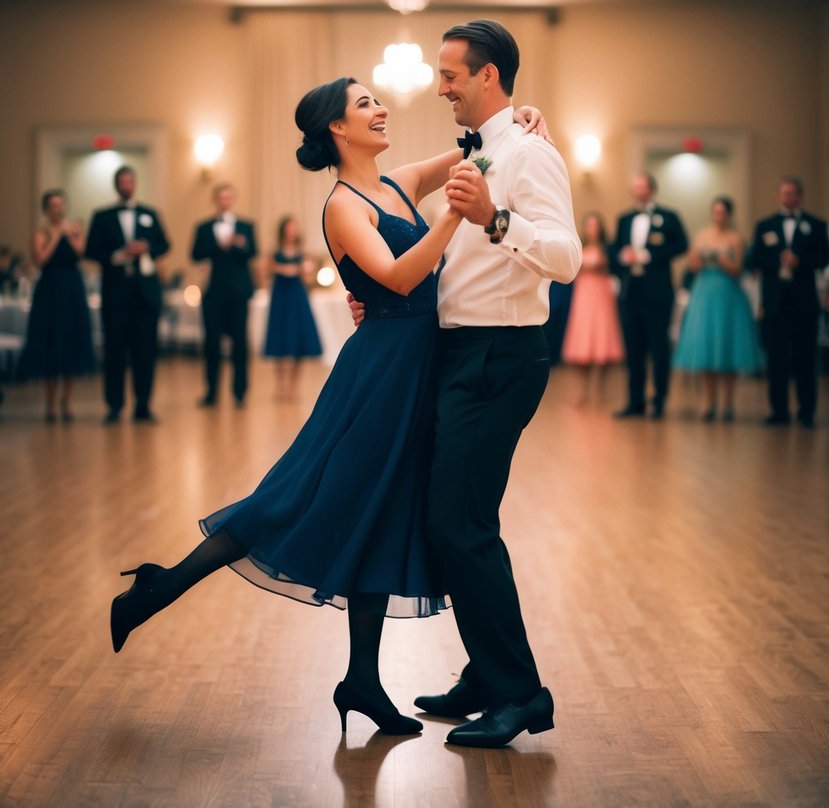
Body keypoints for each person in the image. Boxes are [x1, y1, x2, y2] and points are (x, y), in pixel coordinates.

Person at [108, 77, 551, 736]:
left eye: (377, 98)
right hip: (378, 376)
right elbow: (399, 278)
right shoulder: (342, 205)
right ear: (336, 129)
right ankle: (161, 586)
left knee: (382, 512)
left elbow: (473, 157)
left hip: (417, 369)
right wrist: (456, 216)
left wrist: (515, 119)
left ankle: (362, 681)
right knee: (302, 497)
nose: (380, 108)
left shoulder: (398, 181)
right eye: (364, 103)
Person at [405, 19, 581, 750]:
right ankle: (485, 672)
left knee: (461, 526)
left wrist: (496, 218)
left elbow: (567, 258)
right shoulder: (483, 145)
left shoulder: (531, 155)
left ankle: (520, 696)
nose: (439, 85)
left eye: (450, 74)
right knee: (450, 522)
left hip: (498, 359)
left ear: (486, 76)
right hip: (458, 353)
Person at [86, 166, 170, 424]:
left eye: (130, 181)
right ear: (117, 185)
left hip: (145, 295)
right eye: (122, 181)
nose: (126, 185)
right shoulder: (102, 216)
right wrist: (117, 256)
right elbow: (90, 250)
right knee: (114, 351)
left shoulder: (149, 214)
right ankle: (114, 406)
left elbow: (165, 244)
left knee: (145, 351)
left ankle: (143, 404)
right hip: (115, 295)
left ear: (134, 184)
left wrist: (146, 247)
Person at [748, 175, 829, 428]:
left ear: (800, 196)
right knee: (776, 358)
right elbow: (755, 259)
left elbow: (824, 257)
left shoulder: (816, 225)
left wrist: (799, 260)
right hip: (775, 302)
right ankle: (778, 410)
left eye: (794, 193)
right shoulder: (765, 225)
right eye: (785, 193)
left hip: (804, 302)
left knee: (806, 358)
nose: (789, 198)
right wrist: (777, 261)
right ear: (778, 196)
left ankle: (807, 411)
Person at [673, 196, 762, 421]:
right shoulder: (702, 235)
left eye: (723, 212)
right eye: (716, 212)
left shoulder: (736, 238)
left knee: (727, 347)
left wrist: (721, 259)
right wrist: (700, 259)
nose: (719, 216)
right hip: (704, 294)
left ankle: (728, 403)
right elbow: (692, 266)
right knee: (707, 347)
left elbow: (738, 269)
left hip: (728, 294)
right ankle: (708, 402)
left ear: (729, 214)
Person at [610, 172, 688, 420]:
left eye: (642, 186)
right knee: (633, 348)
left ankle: (659, 401)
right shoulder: (624, 219)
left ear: (651, 189)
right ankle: (635, 401)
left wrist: (650, 256)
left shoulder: (668, 217)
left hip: (658, 293)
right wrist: (622, 257)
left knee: (658, 347)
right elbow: (614, 249)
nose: (638, 191)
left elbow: (682, 245)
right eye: (635, 187)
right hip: (631, 292)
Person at [18, 189, 95, 422]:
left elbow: (82, 253)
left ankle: (67, 399)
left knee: (71, 342)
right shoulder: (41, 233)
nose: (57, 209)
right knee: (51, 343)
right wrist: (56, 236)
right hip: (49, 292)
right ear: (46, 209)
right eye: (53, 205)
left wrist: (70, 235)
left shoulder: (74, 229)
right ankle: (50, 401)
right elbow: (40, 260)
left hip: (72, 290)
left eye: (61, 205)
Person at [191, 183, 257, 408]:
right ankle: (211, 392)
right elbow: (195, 254)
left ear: (233, 199)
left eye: (229, 197)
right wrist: (218, 244)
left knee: (240, 343)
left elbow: (253, 252)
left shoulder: (246, 226)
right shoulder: (203, 227)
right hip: (213, 292)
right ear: (215, 200)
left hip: (239, 292)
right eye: (221, 197)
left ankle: (240, 392)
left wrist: (238, 245)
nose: (225, 201)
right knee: (211, 344)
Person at [561, 212, 624, 401]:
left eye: (595, 225)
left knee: (602, 336)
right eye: (589, 225)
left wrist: (603, 266)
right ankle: (583, 388)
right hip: (584, 295)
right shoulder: (578, 247)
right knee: (584, 337)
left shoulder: (608, 249)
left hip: (602, 294)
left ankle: (600, 389)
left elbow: (616, 267)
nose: (592, 229)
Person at [264, 214, 322, 400]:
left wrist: (304, 270)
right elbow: (265, 271)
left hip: (297, 297)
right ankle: (280, 386)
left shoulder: (302, 252)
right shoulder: (275, 252)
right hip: (281, 298)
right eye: (289, 227)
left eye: (294, 227)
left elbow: (310, 278)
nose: (292, 231)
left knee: (298, 340)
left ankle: (294, 387)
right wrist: (281, 269)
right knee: (280, 339)